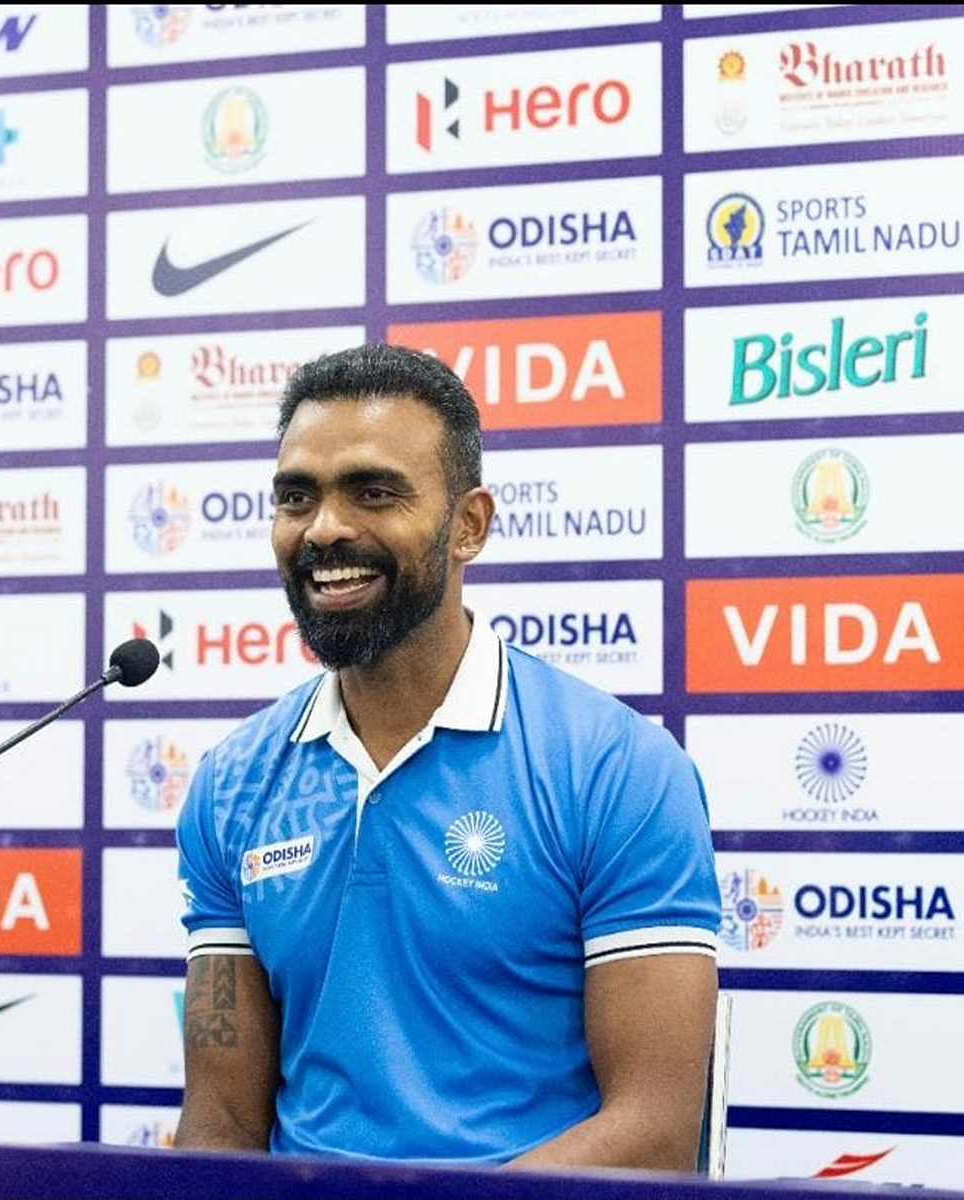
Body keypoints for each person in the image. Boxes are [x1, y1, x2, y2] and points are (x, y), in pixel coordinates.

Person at [174, 345, 720, 1168]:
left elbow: (654, 1131)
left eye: (374, 492)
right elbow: (221, 1123)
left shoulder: (618, 769)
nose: (325, 529)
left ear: (469, 525)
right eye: (297, 497)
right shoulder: (231, 785)